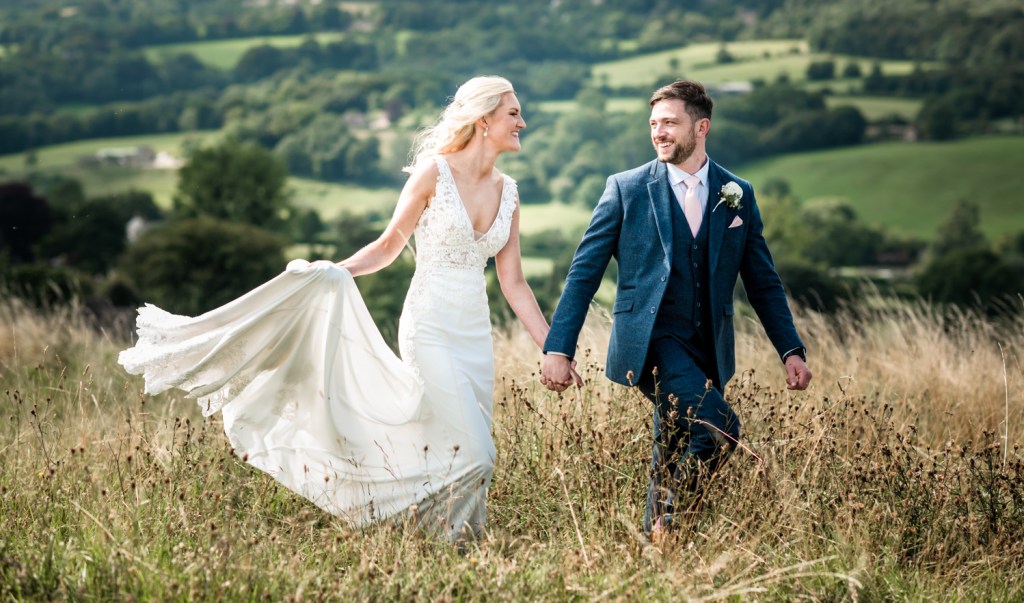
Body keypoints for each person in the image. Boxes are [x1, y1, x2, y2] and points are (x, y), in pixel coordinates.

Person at [120, 76, 569, 543]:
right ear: (483, 121)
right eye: (513, 113)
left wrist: (553, 349)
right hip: (430, 328)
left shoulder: (509, 192)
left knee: (452, 447)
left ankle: (452, 548)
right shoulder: (434, 174)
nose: (523, 121)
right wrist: (335, 273)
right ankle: (396, 523)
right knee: (478, 453)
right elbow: (390, 244)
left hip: (475, 337)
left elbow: (513, 283)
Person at [541, 79, 813, 538]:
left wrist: (791, 349)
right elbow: (583, 274)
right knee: (720, 428)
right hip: (650, 342)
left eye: (670, 122)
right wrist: (558, 348)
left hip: (708, 344)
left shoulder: (737, 193)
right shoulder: (625, 188)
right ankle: (672, 517)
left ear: (701, 126)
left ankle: (659, 543)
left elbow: (763, 281)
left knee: (673, 442)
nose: (659, 132)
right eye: (653, 124)